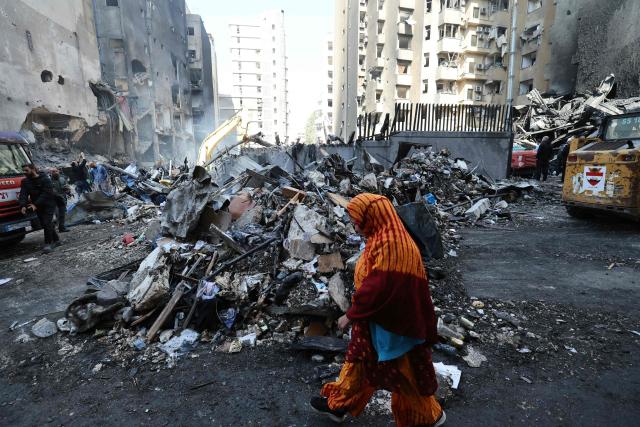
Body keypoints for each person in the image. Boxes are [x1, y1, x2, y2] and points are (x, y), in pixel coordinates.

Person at [311, 193, 445, 427]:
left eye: (357, 219)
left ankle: (427, 417)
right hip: (379, 321)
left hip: (395, 326)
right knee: (360, 364)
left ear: (372, 217)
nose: (354, 224)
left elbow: (379, 286)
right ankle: (339, 405)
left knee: (403, 373)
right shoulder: (381, 236)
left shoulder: (393, 243)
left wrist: (350, 314)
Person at [19, 164, 60, 253]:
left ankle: (48, 244)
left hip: (49, 204)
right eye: (23, 171)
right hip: (37, 206)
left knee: (46, 222)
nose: (24, 173)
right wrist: (22, 205)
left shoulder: (45, 179)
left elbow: (46, 194)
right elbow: (23, 194)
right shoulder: (25, 182)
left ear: (33, 169)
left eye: (26, 170)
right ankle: (57, 240)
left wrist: (35, 204)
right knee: (45, 223)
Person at [50, 168, 70, 232]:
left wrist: (68, 191)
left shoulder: (62, 179)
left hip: (62, 198)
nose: (55, 172)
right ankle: (55, 227)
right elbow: (51, 191)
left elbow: (66, 186)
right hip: (54, 200)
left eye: (56, 171)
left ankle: (62, 227)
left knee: (62, 213)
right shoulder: (49, 181)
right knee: (56, 213)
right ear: (51, 173)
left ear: (58, 171)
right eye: (53, 171)